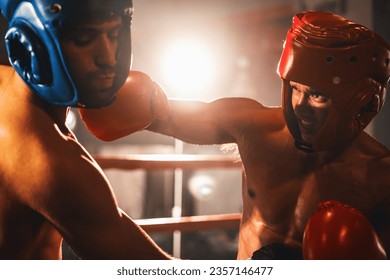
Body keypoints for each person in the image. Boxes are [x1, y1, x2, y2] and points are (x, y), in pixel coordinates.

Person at [132, 10, 390, 259]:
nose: (300, 106)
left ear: (361, 103)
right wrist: (121, 99)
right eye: (295, 88)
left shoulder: (380, 179)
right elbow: (163, 115)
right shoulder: (257, 129)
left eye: (317, 94)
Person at [0, 0, 173, 259]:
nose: (108, 58)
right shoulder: (52, 164)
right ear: (27, 47)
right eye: (83, 39)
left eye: (113, 35)